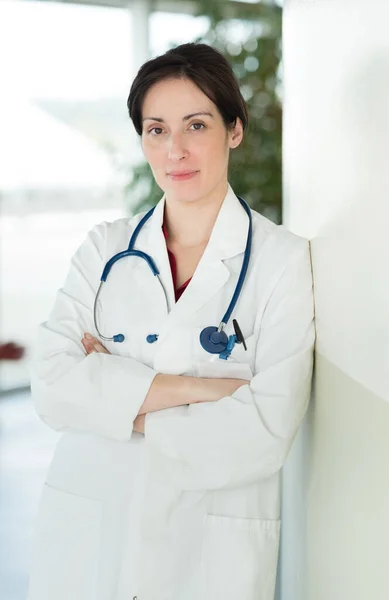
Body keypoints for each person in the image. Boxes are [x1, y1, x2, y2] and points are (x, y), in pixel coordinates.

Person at [27, 43, 315, 600]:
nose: (175, 150)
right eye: (156, 129)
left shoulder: (282, 261)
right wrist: (198, 390)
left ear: (234, 129)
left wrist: (117, 402)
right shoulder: (105, 248)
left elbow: (264, 433)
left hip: (207, 554)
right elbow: (51, 385)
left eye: (196, 124)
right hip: (92, 536)